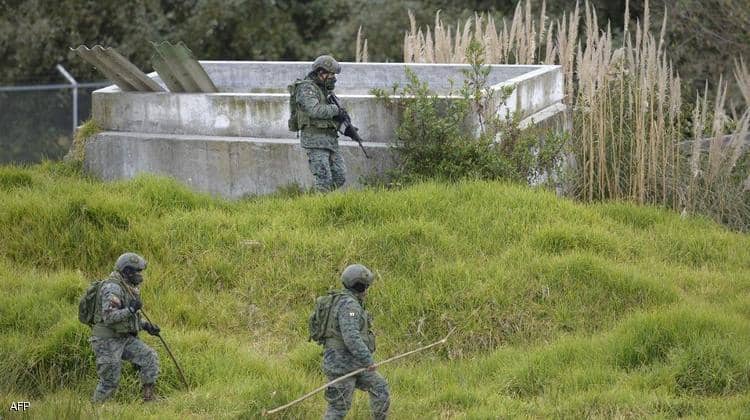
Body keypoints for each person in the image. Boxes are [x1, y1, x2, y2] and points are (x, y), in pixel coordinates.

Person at [321, 264, 390, 419]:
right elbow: (351, 337)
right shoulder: (349, 306)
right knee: (338, 409)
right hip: (343, 366)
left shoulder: (340, 300)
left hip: (351, 363)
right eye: (366, 285)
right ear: (360, 285)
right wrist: (368, 360)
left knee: (380, 387)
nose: (367, 289)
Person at [90, 252, 161, 402]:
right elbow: (110, 318)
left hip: (123, 337)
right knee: (109, 382)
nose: (140, 275)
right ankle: (95, 410)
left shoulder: (128, 287)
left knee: (149, 357)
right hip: (107, 340)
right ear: (127, 271)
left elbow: (126, 321)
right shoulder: (112, 288)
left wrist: (146, 326)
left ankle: (149, 399)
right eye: (137, 271)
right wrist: (131, 310)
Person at [293, 54, 347, 192]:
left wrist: (344, 122)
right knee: (324, 179)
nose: (333, 78)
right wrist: (336, 110)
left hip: (330, 139)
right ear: (321, 72)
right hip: (314, 140)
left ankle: (320, 199)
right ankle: (319, 206)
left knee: (340, 176)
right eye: (331, 74)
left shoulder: (325, 90)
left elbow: (333, 114)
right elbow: (314, 110)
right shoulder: (306, 88)